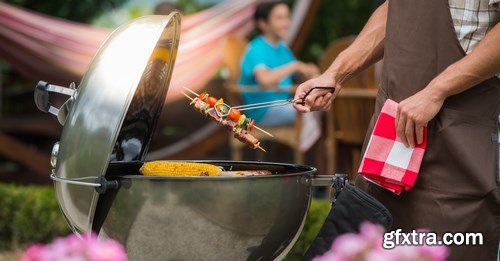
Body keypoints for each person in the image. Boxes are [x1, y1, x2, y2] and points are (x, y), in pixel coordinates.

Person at [294, 1, 499, 260]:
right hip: (389, 140)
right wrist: (335, 74)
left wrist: (437, 91)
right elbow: (395, 9)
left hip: (459, 141)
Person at [239, 1, 319, 126]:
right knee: (310, 111)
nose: (286, 23)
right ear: (263, 23)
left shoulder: (282, 48)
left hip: (284, 104)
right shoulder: (256, 48)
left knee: (321, 106)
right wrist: (294, 66)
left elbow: (298, 75)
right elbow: (265, 79)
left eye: (287, 17)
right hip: (264, 110)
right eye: (279, 18)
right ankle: (315, 145)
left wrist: (311, 73)